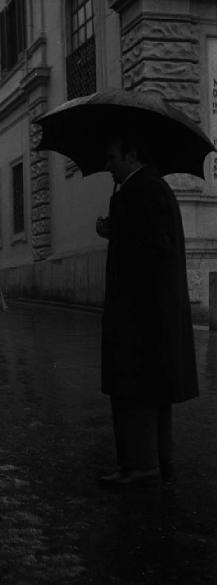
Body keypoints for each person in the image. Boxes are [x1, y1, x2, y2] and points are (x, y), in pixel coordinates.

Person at [96, 130, 198, 487]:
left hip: (139, 317)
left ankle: (141, 465)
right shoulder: (148, 189)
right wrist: (115, 228)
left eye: (112, 157)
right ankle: (157, 459)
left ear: (131, 154)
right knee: (153, 390)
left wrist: (118, 229)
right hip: (148, 315)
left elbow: (153, 247)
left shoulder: (143, 190)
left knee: (135, 388)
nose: (108, 165)